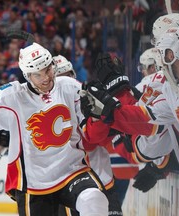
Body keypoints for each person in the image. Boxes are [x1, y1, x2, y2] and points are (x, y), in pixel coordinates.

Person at [0, 42, 109, 215]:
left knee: (94, 200)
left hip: (72, 170)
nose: (46, 78)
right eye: (38, 75)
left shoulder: (70, 86)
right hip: (35, 183)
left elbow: (92, 134)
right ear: (27, 76)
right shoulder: (11, 96)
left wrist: (99, 114)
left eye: (47, 70)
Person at [80, 26, 179, 193]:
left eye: (160, 53)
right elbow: (147, 117)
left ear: (170, 55)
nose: (158, 60)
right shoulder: (171, 89)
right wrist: (107, 111)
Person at [54, 54, 123, 216]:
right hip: (66, 188)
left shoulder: (90, 99)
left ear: (73, 76)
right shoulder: (45, 111)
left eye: (68, 76)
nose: (65, 82)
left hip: (101, 183)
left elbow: (96, 139)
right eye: (59, 78)